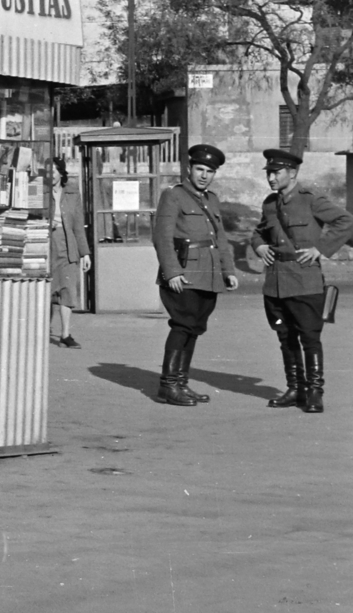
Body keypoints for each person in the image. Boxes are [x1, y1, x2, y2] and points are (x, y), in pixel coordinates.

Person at [249, 148, 353, 414]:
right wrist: (259, 245)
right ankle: (295, 389)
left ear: (292, 173)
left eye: (276, 172)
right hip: (275, 282)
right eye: (269, 173)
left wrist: (321, 248)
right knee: (285, 337)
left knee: (309, 337)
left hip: (305, 280)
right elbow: (259, 232)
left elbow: (346, 221)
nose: (271, 178)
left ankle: (315, 392)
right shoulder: (270, 204)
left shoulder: (311, 200)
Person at [151, 144, 238, 405]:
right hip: (184, 273)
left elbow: (220, 238)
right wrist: (172, 272)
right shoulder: (173, 195)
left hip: (208, 275)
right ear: (189, 168)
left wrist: (228, 270)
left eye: (210, 171)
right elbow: (162, 237)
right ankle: (168, 385)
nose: (204, 175)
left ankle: (181, 383)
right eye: (200, 169)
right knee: (182, 326)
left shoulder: (212, 199)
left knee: (194, 328)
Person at [49, 156, 91, 348]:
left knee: (68, 289)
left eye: (54, 171)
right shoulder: (39, 192)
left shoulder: (73, 193)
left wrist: (85, 253)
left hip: (68, 245)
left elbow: (78, 226)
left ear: (61, 173)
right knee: (48, 289)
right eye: (47, 171)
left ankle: (65, 334)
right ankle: (43, 329)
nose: (50, 175)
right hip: (47, 244)